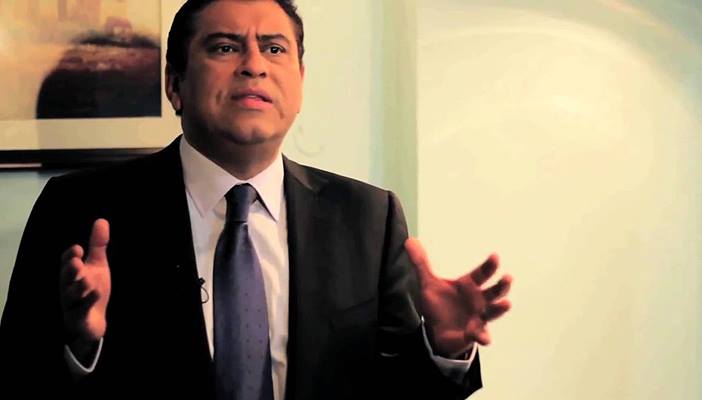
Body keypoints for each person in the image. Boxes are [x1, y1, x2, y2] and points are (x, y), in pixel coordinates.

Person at [0, 0, 512, 399]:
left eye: (274, 49)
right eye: (225, 48)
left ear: (300, 82)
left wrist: (444, 347)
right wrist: (80, 347)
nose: (253, 66)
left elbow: (398, 394)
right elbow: (18, 380)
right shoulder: (80, 210)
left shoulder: (368, 217)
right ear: (175, 84)